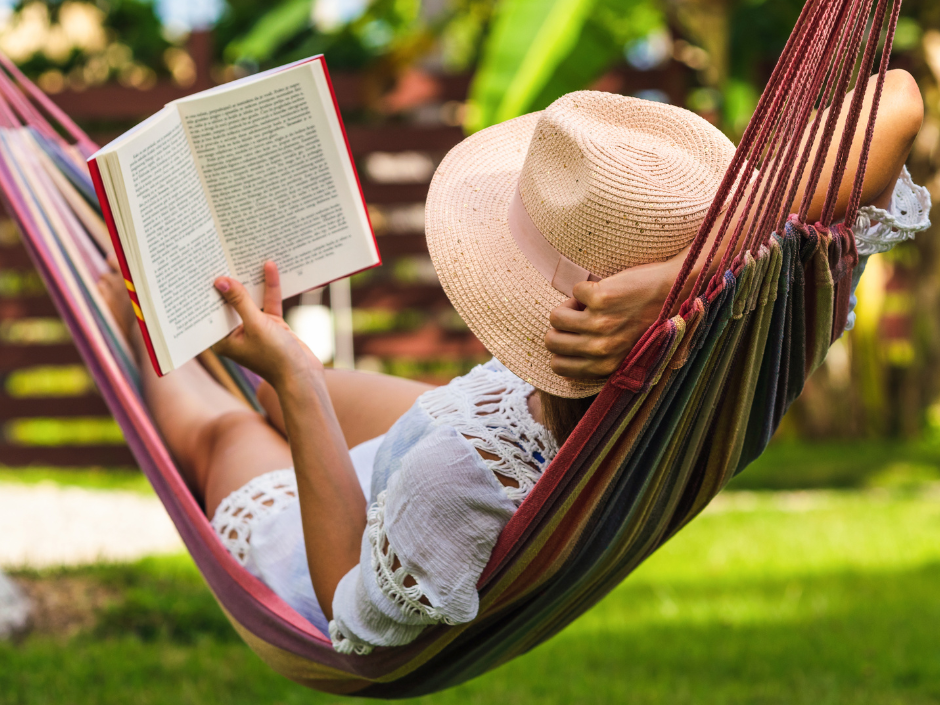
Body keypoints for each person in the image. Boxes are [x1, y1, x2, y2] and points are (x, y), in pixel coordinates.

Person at [98, 70, 929, 655]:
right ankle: (244, 353)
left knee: (231, 428)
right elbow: (898, 97)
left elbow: (352, 611)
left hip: (352, 527)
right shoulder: (757, 322)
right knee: (268, 387)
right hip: (480, 417)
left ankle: (131, 315)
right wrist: (689, 273)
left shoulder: (458, 483)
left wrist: (298, 381)